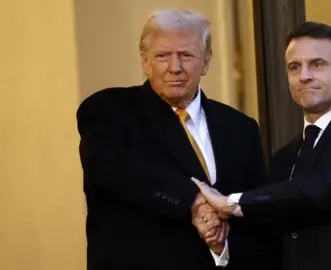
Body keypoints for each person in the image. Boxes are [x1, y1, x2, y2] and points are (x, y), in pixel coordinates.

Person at [76, 9, 279, 270]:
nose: (175, 67)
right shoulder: (110, 110)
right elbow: (110, 169)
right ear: (145, 61)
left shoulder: (240, 127)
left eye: (186, 55)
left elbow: (256, 222)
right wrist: (193, 200)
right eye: (162, 56)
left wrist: (222, 249)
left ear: (206, 62)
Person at [192, 21, 331, 270]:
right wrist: (220, 243)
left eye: (317, 64)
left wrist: (231, 203)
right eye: (294, 67)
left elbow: (322, 188)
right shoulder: (284, 157)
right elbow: (270, 237)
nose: (304, 76)